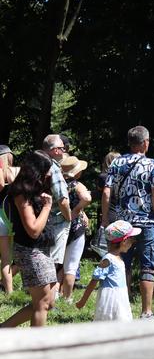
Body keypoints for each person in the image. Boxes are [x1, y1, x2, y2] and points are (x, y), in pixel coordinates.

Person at [102, 125, 154, 319]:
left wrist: (105, 218)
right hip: (146, 223)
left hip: (123, 224)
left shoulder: (116, 163)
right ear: (145, 143)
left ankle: (123, 310)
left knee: (122, 264)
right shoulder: (152, 164)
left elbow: (106, 192)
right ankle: (146, 312)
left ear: (130, 143)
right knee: (147, 266)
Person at [0, 151, 57, 327]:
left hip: (42, 249)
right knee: (42, 304)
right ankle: (37, 348)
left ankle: (4, 330)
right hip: (30, 250)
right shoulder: (21, 193)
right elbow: (33, 230)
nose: (49, 174)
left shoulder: (34, 189)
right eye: (47, 170)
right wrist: (47, 207)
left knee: (48, 302)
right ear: (36, 171)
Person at [76, 220, 138, 321]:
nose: (133, 242)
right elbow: (94, 281)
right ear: (124, 241)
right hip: (111, 300)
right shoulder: (108, 259)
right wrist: (83, 301)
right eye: (132, 240)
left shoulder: (119, 258)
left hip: (120, 297)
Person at [42, 134, 72, 300]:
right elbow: (63, 200)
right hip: (56, 221)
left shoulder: (38, 165)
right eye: (62, 148)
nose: (64, 151)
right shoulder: (54, 169)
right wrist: (68, 217)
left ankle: (42, 295)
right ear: (54, 151)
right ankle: (48, 298)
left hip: (41, 219)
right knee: (53, 262)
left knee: (44, 258)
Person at [60, 156, 92, 302]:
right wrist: (78, 210)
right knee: (71, 266)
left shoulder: (57, 185)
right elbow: (86, 198)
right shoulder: (76, 185)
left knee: (58, 265)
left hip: (59, 227)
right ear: (77, 172)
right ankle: (68, 298)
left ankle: (54, 295)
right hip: (75, 228)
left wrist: (80, 211)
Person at [0, 144, 19, 293]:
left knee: (5, 258)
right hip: (18, 217)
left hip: (1, 216)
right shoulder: (18, 171)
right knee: (22, 255)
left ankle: (9, 291)